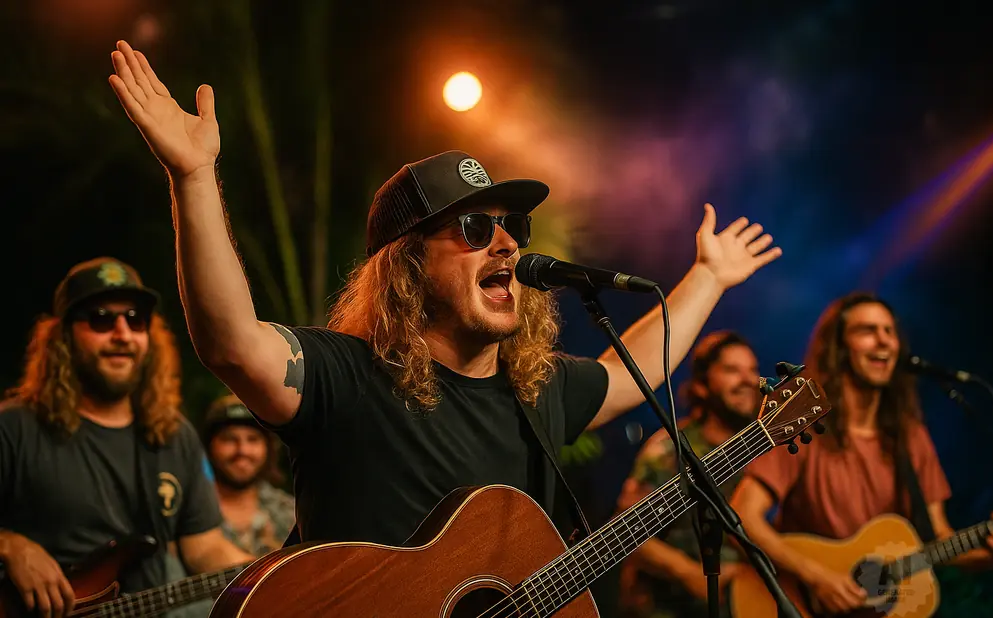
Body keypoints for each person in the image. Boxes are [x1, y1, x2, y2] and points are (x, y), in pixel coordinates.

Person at [108, 40, 781, 553]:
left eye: (511, 227)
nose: (508, 246)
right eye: (473, 227)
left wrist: (710, 277)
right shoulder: (348, 379)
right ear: (406, 269)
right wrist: (194, 177)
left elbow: (633, 370)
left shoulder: (534, 392)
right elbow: (230, 341)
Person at [0, 257, 254, 618]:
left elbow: (203, 547)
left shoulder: (173, 435)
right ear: (63, 337)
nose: (122, 334)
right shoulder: (15, 428)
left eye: (135, 320)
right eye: (102, 318)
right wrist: (10, 546)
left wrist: (270, 570)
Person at [730, 291, 993, 615]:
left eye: (889, 332)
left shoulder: (910, 436)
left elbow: (939, 538)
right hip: (797, 601)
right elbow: (742, 517)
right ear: (839, 349)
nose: (884, 341)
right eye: (867, 331)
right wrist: (816, 576)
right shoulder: (803, 424)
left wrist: (986, 553)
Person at [617, 331, 760, 618]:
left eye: (753, 370)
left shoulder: (763, 448)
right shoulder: (672, 449)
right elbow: (626, 534)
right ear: (703, 385)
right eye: (732, 370)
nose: (747, 380)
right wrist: (691, 574)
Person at [202, 394, 295, 557]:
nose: (242, 450)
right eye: (229, 439)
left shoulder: (292, 514)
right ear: (209, 446)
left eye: (253, 439)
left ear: (268, 448)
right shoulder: (191, 511)